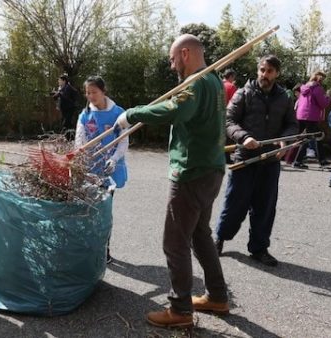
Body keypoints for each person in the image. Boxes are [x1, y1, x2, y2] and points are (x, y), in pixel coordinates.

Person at [115, 34, 230, 328]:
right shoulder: (214, 80)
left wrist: (132, 114)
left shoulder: (196, 82)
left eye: (171, 58)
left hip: (191, 172)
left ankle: (179, 310)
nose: (171, 65)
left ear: (186, 53)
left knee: (175, 241)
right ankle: (217, 296)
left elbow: (176, 110)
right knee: (200, 234)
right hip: (211, 169)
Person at [215, 55, 298, 267]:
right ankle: (219, 239)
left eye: (270, 71)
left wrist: (285, 141)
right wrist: (244, 137)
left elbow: (291, 124)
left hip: (270, 161)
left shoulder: (285, 98)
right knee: (234, 204)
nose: (265, 75)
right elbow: (228, 120)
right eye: (262, 70)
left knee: (265, 207)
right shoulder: (244, 93)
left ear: (277, 73)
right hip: (245, 159)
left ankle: (259, 248)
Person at [74, 76, 128, 264]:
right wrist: (80, 163)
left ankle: (104, 250)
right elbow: (79, 141)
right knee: (88, 210)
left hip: (109, 170)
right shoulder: (85, 114)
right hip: (89, 170)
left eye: (94, 92)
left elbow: (123, 141)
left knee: (103, 211)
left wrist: (113, 159)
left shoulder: (118, 114)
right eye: (87, 93)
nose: (90, 96)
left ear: (103, 91)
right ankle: (90, 250)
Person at [293, 71, 331, 169]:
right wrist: (327, 97)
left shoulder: (304, 87)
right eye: (322, 78)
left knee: (307, 138)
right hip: (311, 116)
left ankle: (320, 160)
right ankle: (298, 161)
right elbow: (323, 104)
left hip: (301, 115)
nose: (323, 81)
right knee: (314, 137)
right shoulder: (317, 88)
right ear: (319, 78)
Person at [53, 74, 79, 140]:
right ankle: (70, 138)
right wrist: (55, 95)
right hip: (64, 109)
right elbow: (57, 98)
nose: (58, 82)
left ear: (64, 81)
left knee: (66, 123)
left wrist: (59, 93)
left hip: (70, 108)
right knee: (68, 124)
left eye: (60, 80)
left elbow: (66, 97)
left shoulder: (68, 87)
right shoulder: (61, 88)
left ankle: (70, 138)